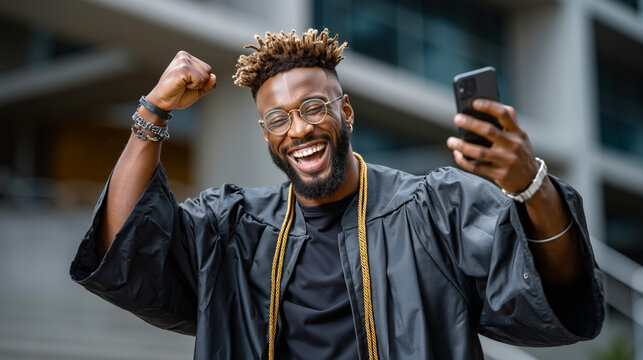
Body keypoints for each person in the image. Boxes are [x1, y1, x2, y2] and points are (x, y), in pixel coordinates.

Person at [70, 29, 604, 360]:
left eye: (313, 108)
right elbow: (126, 251)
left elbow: (555, 284)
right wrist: (151, 115)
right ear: (265, 135)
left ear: (345, 112)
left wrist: (529, 185)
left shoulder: (435, 208)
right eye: (277, 119)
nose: (297, 130)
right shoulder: (233, 227)